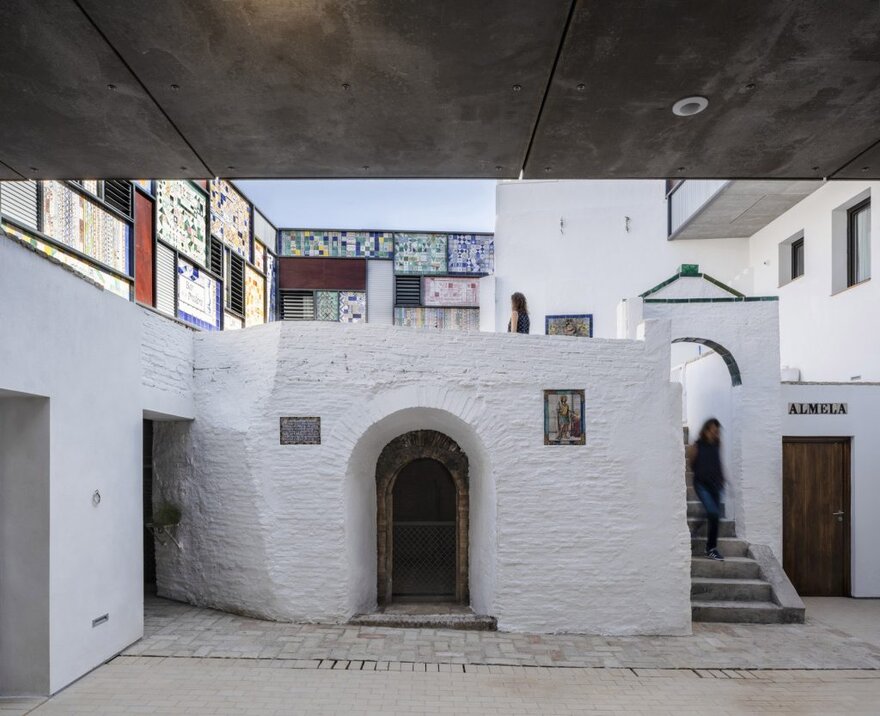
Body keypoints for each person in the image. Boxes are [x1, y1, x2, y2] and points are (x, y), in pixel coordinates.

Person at [687, 418, 725, 561]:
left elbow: (718, 462)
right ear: (706, 430)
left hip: (716, 484)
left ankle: (695, 528)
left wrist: (722, 478)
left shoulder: (717, 444)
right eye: (713, 430)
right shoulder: (696, 446)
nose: (715, 433)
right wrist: (701, 474)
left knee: (712, 513)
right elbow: (691, 463)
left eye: (717, 431)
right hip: (701, 484)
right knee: (713, 513)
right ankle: (711, 548)